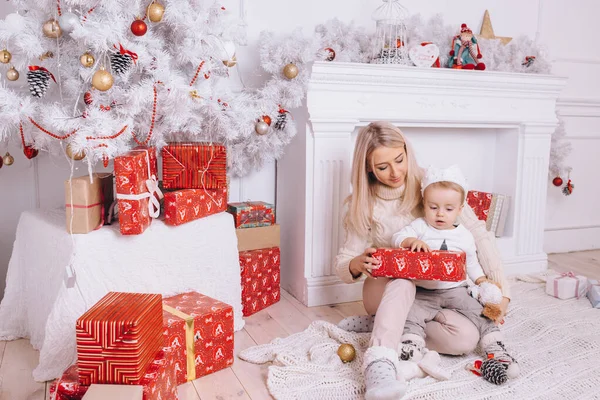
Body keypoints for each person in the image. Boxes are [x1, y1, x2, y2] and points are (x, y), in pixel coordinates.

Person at [333, 122, 510, 399]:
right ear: (368, 168)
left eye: (399, 160)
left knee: (465, 339)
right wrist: (357, 263)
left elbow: (478, 235)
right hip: (387, 287)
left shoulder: (432, 185)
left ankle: (383, 325)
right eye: (382, 167)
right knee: (403, 280)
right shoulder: (363, 203)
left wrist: (502, 292)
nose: (395, 172)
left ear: (407, 151)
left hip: (433, 292)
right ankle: (379, 366)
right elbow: (344, 264)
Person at [391, 164, 519, 384]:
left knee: (480, 312)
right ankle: (410, 348)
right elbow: (397, 237)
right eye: (433, 207)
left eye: (448, 209)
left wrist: (480, 281)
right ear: (424, 205)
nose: (440, 213)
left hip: (456, 289)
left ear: (460, 209)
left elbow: (471, 263)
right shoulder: (420, 227)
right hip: (423, 290)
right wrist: (411, 241)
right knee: (411, 315)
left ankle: (495, 348)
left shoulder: (464, 236)